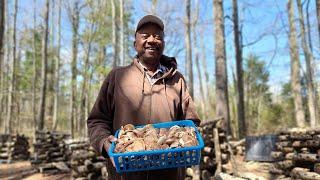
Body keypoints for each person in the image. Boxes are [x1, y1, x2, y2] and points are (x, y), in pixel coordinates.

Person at [87, 14, 200, 180]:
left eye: (157, 36)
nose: (152, 40)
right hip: (125, 173)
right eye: (145, 36)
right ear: (135, 44)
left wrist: (189, 138)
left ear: (163, 43)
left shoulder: (177, 80)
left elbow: (191, 123)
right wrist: (104, 141)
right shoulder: (117, 77)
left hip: (168, 174)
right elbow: (97, 120)